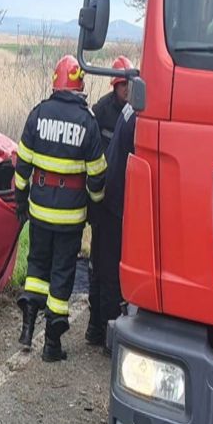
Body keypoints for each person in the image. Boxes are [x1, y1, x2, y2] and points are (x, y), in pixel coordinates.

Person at [15, 55, 107, 362]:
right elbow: (97, 175)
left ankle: (27, 330)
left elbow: (22, 164)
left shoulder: (38, 114)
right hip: (70, 218)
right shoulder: (87, 122)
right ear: (79, 85)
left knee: (36, 268)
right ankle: (51, 345)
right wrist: (96, 207)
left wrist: (20, 201)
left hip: (39, 211)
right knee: (61, 274)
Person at [86, 56, 134, 346]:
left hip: (122, 201)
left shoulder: (132, 113)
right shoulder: (100, 111)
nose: (126, 90)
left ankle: (105, 327)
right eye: (121, 85)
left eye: (129, 85)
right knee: (101, 267)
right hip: (103, 201)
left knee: (112, 266)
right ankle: (98, 329)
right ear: (114, 86)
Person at [95, 99, 138, 355]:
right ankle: (108, 338)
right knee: (111, 272)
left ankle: (97, 329)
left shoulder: (130, 108)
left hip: (109, 197)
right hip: (118, 203)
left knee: (102, 267)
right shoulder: (136, 117)